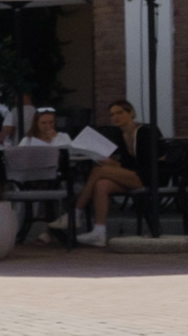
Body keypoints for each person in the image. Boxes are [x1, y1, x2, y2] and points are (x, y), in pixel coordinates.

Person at [62, 98, 162, 247]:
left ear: (131, 113)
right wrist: (112, 163)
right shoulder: (119, 135)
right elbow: (127, 164)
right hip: (133, 176)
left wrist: (114, 165)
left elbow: (146, 162)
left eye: (119, 113)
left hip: (150, 176)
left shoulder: (145, 131)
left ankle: (76, 211)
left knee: (98, 171)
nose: (115, 117)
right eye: (112, 114)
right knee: (102, 184)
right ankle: (99, 232)